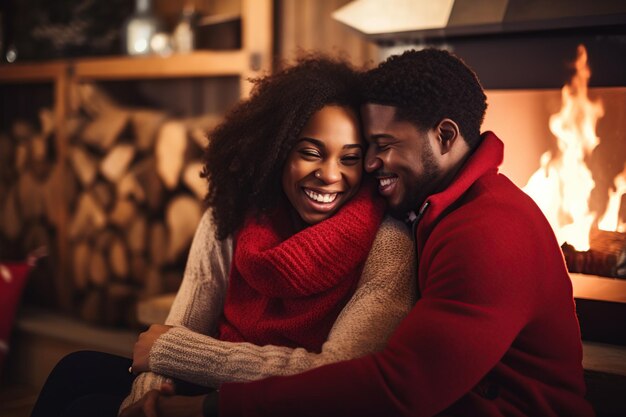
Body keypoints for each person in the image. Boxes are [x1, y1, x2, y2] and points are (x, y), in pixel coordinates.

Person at [122, 48, 596, 417]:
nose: (368, 166)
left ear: (446, 138)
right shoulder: (433, 208)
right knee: (79, 375)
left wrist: (207, 407)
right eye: (367, 148)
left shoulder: (492, 232)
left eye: (380, 147)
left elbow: (398, 388)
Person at [29, 56, 416, 417]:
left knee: (90, 407)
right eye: (310, 152)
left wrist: (178, 356)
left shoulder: (388, 246)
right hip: (205, 375)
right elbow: (174, 334)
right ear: (277, 151)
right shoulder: (230, 217)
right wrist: (143, 399)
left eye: (349, 158)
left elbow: (335, 374)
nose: (331, 175)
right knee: (76, 371)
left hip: (290, 404)